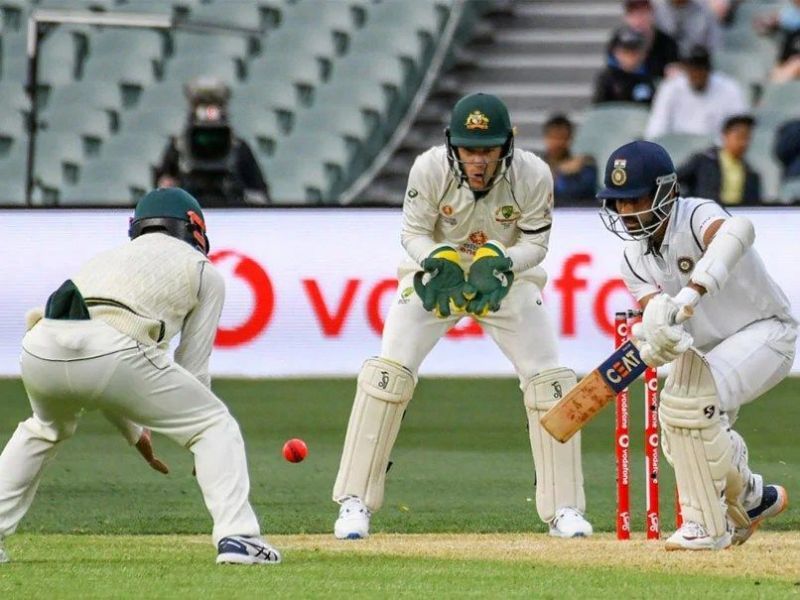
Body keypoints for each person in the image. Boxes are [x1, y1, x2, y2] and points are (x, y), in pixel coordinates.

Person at [332, 93, 591, 540]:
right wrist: (437, 258)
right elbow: (412, 232)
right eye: (469, 149)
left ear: (507, 145)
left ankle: (564, 508)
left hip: (504, 279)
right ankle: (354, 503)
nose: (477, 160)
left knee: (551, 381)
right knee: (387, 376)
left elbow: (537, 244)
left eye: (487, 149)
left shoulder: (532, 174)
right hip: (436, 279)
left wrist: (505, 262)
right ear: (453, 144)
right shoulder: (429, 168)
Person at [0, 188, 280, 566]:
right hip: (112, 346)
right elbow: (188, 367)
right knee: (214, 423)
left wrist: (136, 431)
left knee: (43, 429)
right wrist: (198, 440)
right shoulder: (203, 271)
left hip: (40, 344)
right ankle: (239, 538)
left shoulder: (107, 258)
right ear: (195, 229)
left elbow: (95, 360)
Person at [596, 140, 795, 550]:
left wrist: (691, 293)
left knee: (686, 403)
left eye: (636, 200)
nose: (627, 213)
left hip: (767, 331)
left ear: (667, 192)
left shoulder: (697, 214)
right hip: (707, 354)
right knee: (674, 421)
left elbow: (739, 232)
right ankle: (753, 496)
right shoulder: (633, 260)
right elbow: (662, 323)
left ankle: (706, 526)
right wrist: (656, 337)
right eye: (619, 202)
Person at [154, 77, 271, 207]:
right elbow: (160, 194)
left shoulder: (239, 148)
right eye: (201, 104)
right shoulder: (178, 148)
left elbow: (260, 195)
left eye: (215, 103)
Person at [645, 45, 747, 140]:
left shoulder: (730, 89)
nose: (697, 74)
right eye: (693, 69)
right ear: (686, 69)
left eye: (701, 69)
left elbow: (739, 129)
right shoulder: (670, 88)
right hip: (677, 149)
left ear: (709, 70)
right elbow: (657, 127)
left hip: (715, 152)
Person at [677, 114, 761, 205]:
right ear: (725, 135)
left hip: (736, 216)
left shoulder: (751, 173)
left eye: (747, 138)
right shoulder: (703, 161)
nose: (743, 143)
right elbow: (675, 180)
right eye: (739, 137)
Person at [615, 0, 680, 79]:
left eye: (643, 12)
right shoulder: (619, 39)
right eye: (633, 13)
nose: (638, 18)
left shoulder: (667, 43)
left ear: (652, 14)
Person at [593, 25, 657, 105]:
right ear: (616, 53)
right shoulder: (607, 79)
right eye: (626, 52)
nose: (630, 57)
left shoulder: (647, 77)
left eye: (634, 52)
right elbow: (599, 109)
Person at [542, 114, 598, 204]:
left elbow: (583, 191)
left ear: (570, 139)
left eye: (562, 138)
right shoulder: (535, 165)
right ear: (546, 138)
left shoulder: (584, 165)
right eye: (553, 138)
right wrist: (559, 171)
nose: (558, 143)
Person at [653, 0, 722, 56]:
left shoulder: (706, 10)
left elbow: (715, 50)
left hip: (696, 67)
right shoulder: (654, 8)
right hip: (660, 66)